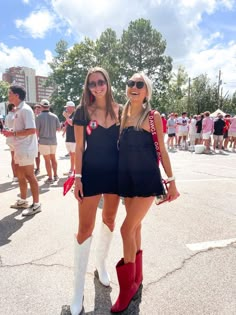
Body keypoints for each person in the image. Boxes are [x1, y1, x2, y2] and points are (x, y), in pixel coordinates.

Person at [111, 72, 180, 313]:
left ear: (147, 91)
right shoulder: (123, 114)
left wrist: (171, 181)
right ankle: (137, 277)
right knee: (136, 227)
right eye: (130, 83)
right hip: (126, 178)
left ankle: (127, 287)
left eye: (140, 84)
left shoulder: (153, 116)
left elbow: (162, 149)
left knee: (126, 228)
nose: (134, 87)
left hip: (146, 179)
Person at [70, 67, 121, 315]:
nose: (97, 87)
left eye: (101, 82)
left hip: (115, 174)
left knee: (110, 219)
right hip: (90, 173)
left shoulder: (121, 110)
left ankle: (101, 263)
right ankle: (77, 288)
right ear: (88, 86)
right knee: (84, 229)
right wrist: (77, 177)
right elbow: (79, 148)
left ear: (108, 83)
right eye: (92, 84)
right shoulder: (82, 111)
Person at [3, 85, 41, 215]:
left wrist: (12, 134)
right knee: (20, 175)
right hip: (19, 147)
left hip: (26, 148)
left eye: (10, 93)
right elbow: (22, 129)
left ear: (17, 95)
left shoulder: (25, 110)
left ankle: (36, 204)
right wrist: (11, 132)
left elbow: (32, 130)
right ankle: (23, 200)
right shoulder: (18, 110)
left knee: (30, 175)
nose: (8, 96)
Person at [36, 99, 61, 184]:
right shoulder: (54, 116)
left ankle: (50, 177)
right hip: (53, 141)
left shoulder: (38, 117)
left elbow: (37, 131)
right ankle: (55, 175)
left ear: (41, 106)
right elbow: (58, 129)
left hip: (43, 141)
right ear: (49, 106)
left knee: (47, 160)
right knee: (53, 158)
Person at [62, 101, 76, 176]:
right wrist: (64, 131)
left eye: (67, 107)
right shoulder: (69, 115)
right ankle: (72, 170)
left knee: (74, 155)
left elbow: (72, 123)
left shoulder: (76, 115)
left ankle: (74, 171)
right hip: (69, 138)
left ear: (72, 108)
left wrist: (66, 116)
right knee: (71, 155)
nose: (66, 109)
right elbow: (67, 125)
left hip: (74, 139)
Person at [5, 103, 17, 182]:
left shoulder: (6, 116)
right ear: (12, 108)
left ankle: (15, 176)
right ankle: (20, 175)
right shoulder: (14, 116)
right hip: (15, 138)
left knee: (13, 158)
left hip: (9, 139)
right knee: (18, 159)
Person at [33, 104, 42, 176]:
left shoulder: (42, 117)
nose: (37, 110)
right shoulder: (32, 118)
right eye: (36, 109)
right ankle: (38, 168)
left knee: (46, 155)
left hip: (42, 138)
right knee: (37, 155)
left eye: (38, 109)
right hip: (34, 138)